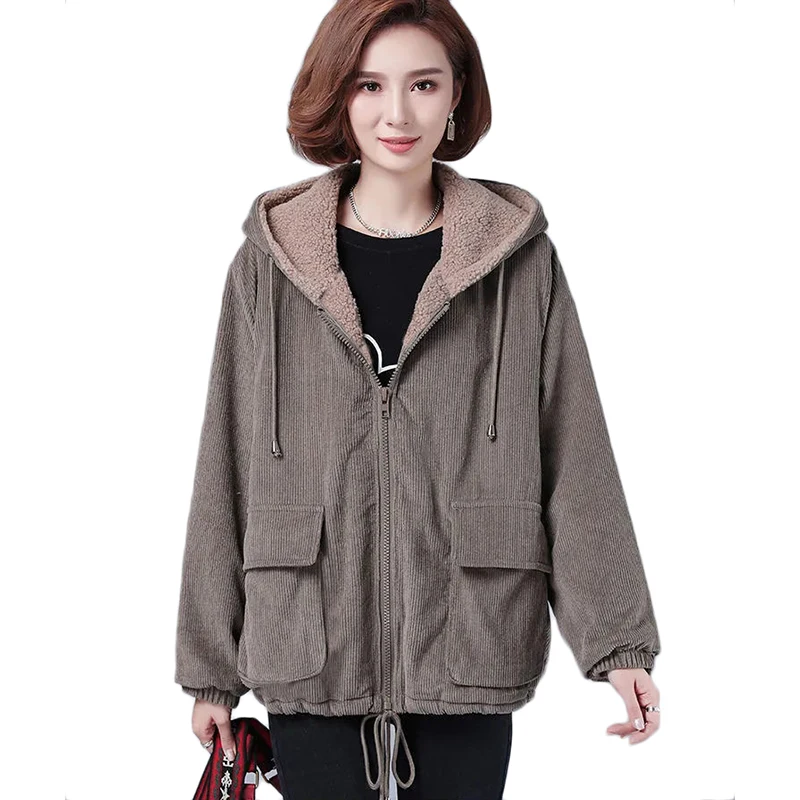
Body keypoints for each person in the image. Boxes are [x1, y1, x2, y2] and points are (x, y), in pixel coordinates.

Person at [174, 1, 662, 798]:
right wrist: (210, 673)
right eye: (369, 85)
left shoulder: (517, 263)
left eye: (423, 84)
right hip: (308, 646)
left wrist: (619, 645)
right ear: (338, 93)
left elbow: (574, 454)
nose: (396, 114)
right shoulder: (269, 266)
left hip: (469, 642)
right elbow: (224, 464)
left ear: (457, 94)